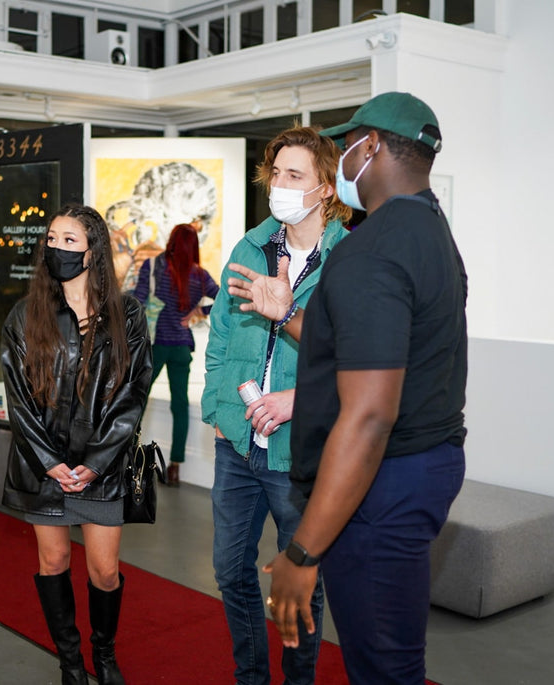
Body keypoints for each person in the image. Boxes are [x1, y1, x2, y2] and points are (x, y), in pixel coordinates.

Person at [236, 92, 467, 684]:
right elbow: (369, 345)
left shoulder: (373, 249)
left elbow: (367, 416)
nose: (340, 157)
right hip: (423, 468)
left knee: (382, 667)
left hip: (383, 483)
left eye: (345, 145)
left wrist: (302, 553)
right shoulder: (430, 230)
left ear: (369, 148)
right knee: (392, 657)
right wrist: (286, 314)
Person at [201, 125, 351, 685]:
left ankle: (298, 680)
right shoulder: (250, 247)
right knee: (229, 572)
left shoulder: (348, 260)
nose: (281, 185)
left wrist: (301, 400)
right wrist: (219, 413)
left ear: (326, 188)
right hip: (238, 445)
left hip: (299, 456)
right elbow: (219, 339)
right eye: (277, 174)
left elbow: (361, 365)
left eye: (296, 176)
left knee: (299, 583)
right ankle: (251, 677)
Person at [0, 203, 153, 685]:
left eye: (69, 240)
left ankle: (103, 656)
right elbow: (19, 399)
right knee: (54, 561)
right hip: (42, 467)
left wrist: (96, 461)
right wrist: (49, 462)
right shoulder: (25, 315)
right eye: (51, 238)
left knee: (105, 572)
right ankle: (71, 664)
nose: (56, 247)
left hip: (102, 468)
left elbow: (134, 390)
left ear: (93, 252)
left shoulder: (125, 313)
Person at [133, 223, 219, 485]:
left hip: (155, 344)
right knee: (179, 405)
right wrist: (198, 313)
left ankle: (127, 459)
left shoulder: (152, 268)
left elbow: (137, 302)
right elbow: (225, 298)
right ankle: (175, 467)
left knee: (138, 400)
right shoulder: (200, 275)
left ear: (171, 241)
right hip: (181, 345)